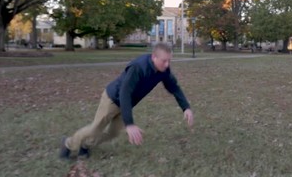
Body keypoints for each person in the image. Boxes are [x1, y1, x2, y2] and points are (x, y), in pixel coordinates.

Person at [60, 42, 194, 159]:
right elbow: (125, 93)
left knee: (112, 133)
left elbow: (174, 87)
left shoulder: (163, 71)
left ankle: (85, 146)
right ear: (154, 57)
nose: (167, 64)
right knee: (95, 129)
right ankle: (68, 143)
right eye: (164, 60)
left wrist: (186, 107)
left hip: (126, 104)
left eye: (169, 61)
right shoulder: (138, 67)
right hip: (112, 100)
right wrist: (129, 124)